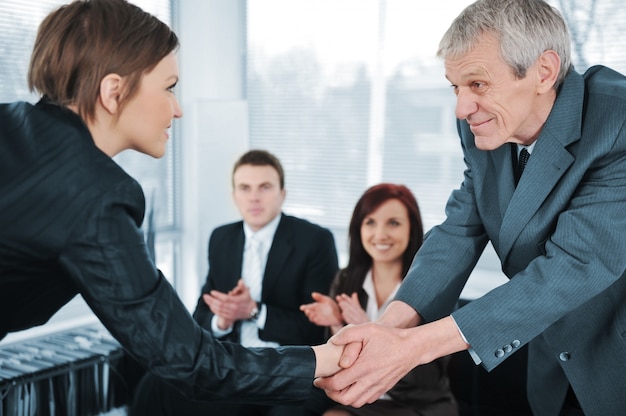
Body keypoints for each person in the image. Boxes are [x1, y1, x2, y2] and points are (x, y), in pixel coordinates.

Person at [0, 0, 343, 408]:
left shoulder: (11, 123)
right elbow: (189, 360)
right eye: (169, 87)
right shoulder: (98, 196)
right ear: (114, 91)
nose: (177, 109)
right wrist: (328, 359)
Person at [314, 1, 626, 415]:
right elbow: (459, 230)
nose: (461, 109)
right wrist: (386, 329)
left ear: (544, 71)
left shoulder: (616, 121)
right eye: (454, 87)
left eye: (477, 84)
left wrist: (412, 348)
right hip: (556, 363)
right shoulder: (485, 125)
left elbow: (570, 269)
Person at [131, 149, 339, 415]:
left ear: (282, 194)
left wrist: (254, 312)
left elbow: (315, 331)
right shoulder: (222, 239)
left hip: (292, 371)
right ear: (234, 196)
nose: (254, 196)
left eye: (264, 187)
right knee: (155, 385)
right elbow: (202, 314)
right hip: (235, 366)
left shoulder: (315, 240)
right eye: (245, 187)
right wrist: (223, 320)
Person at [301, 183, 458, 416]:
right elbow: (338, 366)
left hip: (419, 404)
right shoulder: (346, 280)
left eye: (393, 223)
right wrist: (336, 322)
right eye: (370, 222)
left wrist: (372, 328)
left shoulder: (434, 285)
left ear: (411, 229)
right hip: (361, 399)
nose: (380, 234)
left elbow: (428, 379)